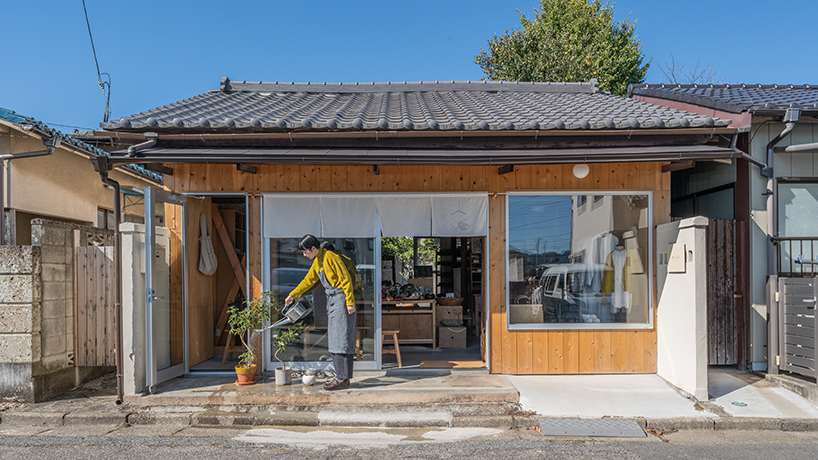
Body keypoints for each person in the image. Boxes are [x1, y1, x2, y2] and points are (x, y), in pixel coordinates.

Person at [285, 235, 357, 390]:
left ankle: (342, 378)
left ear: (313, 248)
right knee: (335, 340)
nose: (304, 255)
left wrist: (350, 302)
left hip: (341, 300)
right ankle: (341, 376)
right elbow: (308, 280)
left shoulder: (331, 257)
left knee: (342, 340)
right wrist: (292, 294)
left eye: (305, 252)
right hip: (332, 300)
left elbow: (345, 279)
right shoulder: (318, 261)